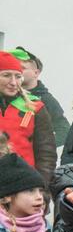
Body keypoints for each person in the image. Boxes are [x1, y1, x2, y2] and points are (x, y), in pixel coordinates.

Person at [0, 51, 56, 183]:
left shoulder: (35, 107)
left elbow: (46, 154)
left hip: (24, 185)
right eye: (6, 75)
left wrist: (42, 186)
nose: (14, 82)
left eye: (18, 76)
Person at [13, 47, 68, 143]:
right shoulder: (6, 95)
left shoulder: (46, 100)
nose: (17, 71)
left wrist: (39, 147)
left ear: (36, 73)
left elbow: (64, 131)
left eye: (23, 68)